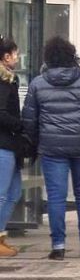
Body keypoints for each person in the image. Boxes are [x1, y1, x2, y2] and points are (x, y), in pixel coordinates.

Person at [22, 36, 80, 260]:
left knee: (56, 197)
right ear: (73, 56)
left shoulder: (37, 84)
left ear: (48, 59)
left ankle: (59, 246)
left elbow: (29, 120)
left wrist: (32, 145)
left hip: (52, 147)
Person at [0, 37, 27, 257]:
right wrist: (21, 125)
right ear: (6, 56)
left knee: (14, 192)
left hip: (10, 144)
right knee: (2, 194)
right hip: (3, 144)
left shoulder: (9, 79)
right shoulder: (2, 81)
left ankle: (1, 236)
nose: (17, 58)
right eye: (15, 54)